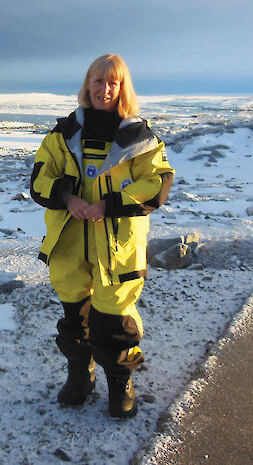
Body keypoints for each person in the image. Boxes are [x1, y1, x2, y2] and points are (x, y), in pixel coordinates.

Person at [30, 54, 174, 418]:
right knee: (74, 319)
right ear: (87, 84)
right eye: (98, 81)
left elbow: (156, 182)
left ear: (122, 88)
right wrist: (67, 196)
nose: (104, 89)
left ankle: (120, 383)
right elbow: (39, 178)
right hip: (70, 243)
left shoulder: (140, 138)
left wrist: (110, 204)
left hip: (117, 247)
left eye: (113, 82)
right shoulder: (63, 135)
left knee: (115, 319)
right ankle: (81, 375)